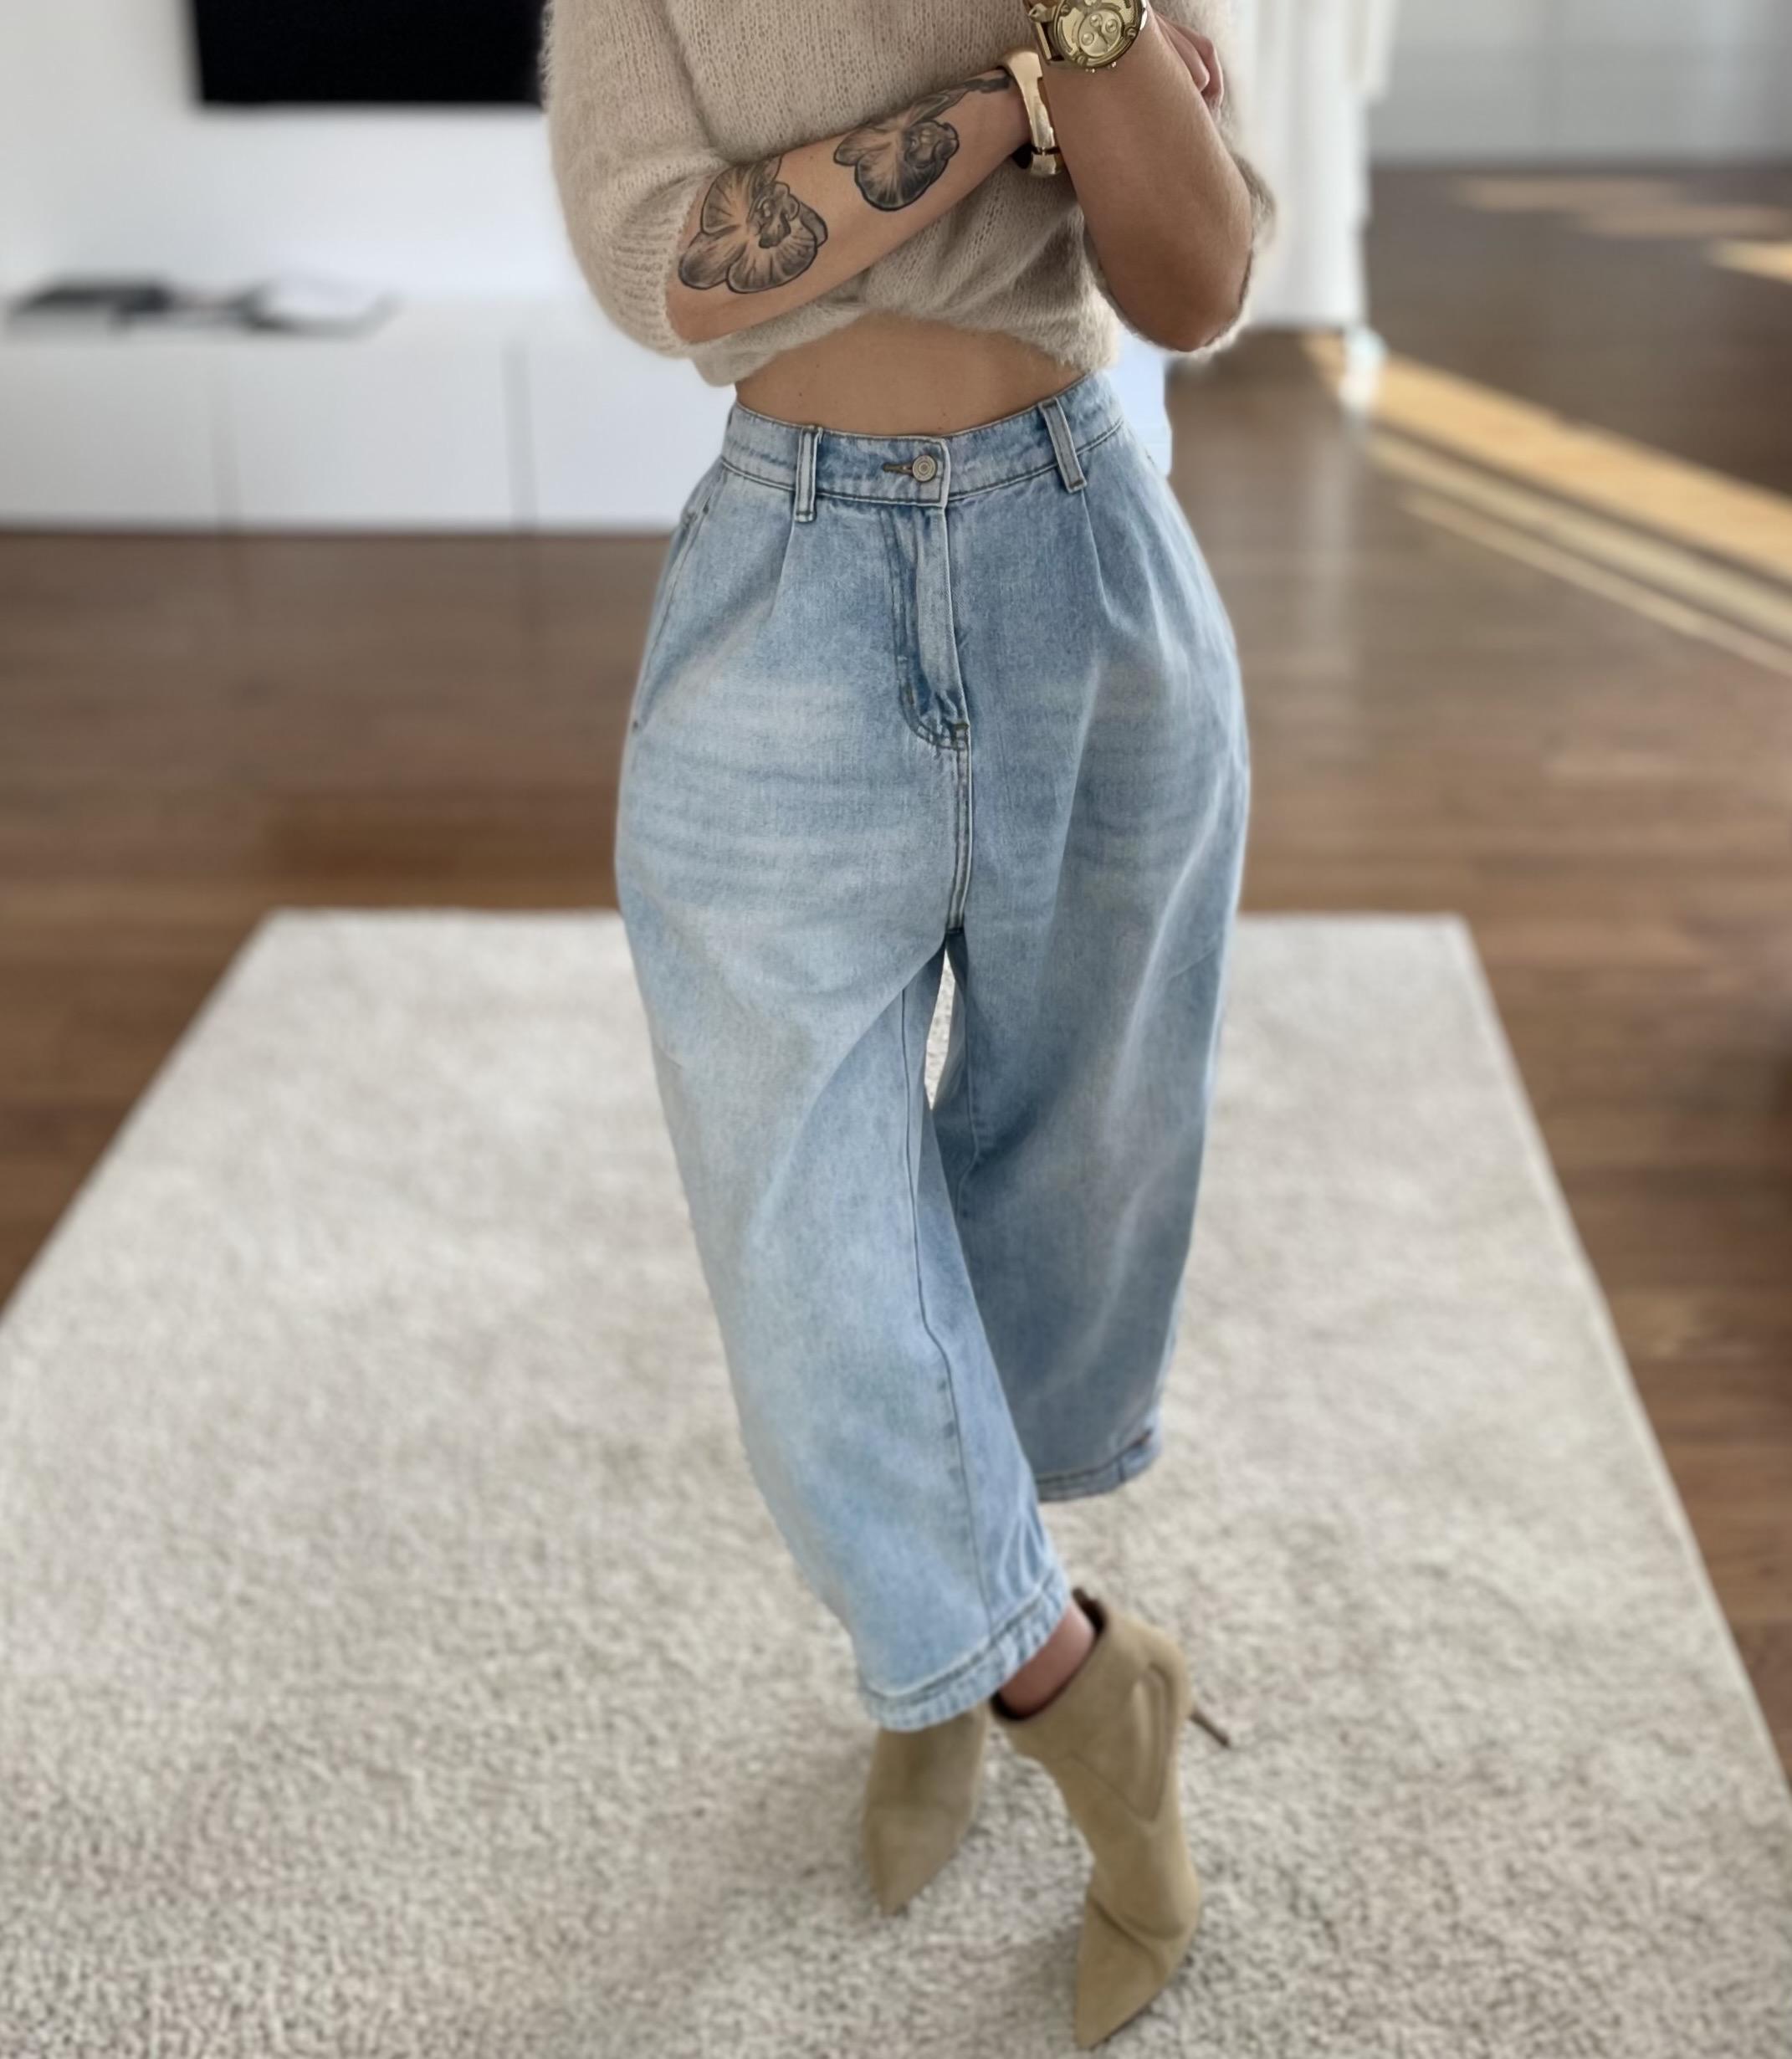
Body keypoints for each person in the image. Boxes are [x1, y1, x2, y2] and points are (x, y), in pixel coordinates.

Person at [545, 2, 1275, 2043]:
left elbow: (1198, 286)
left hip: (1084, 564)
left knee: (1067, 1165)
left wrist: (1080, 34)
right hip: (783, 588)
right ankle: (1069, 1680)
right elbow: (671, 263)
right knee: (801, 1240)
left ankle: (944, 1651)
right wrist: (1004, 107)